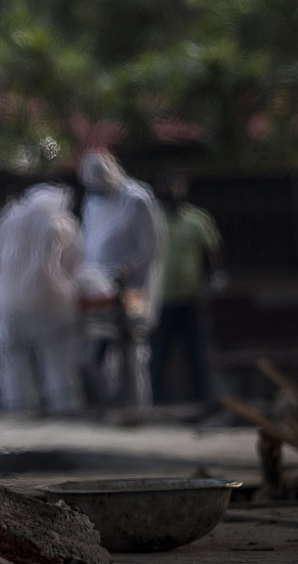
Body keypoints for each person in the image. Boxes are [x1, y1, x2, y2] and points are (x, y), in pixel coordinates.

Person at [0, 184, 85, 412]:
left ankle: (19, 417)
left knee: (13, 365)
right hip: (52, 303)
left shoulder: (9, 219)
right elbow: (74, 266)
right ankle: (66, 414)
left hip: (11, 304)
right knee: (59, 365)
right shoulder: (64, 224)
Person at [78, 151, 164, 407]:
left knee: (134, 349)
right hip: (99, 289)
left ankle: (138, 405)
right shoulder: (93, 200)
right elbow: (89, 241)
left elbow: (151, 247)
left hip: (133, 289)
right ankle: (111, 404)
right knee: (99, 350)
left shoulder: (137, 199)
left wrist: (124, 270)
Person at [150, 173, 224, 403]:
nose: (170, 192)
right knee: (158, 357)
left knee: (195, 355)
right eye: (165, 187)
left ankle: (200, 401)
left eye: (174, 186)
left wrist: (210, 284)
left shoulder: (198, 219)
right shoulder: (152, 219)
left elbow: (212, 253)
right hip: (159, 300)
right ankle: (158, 404)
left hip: (190, 299)